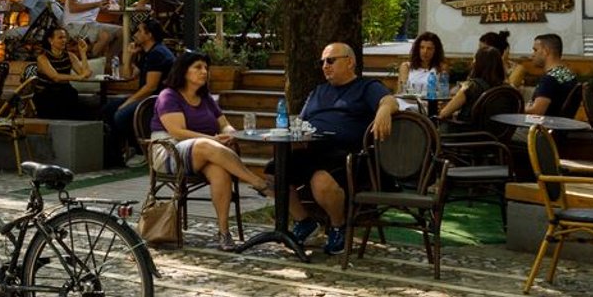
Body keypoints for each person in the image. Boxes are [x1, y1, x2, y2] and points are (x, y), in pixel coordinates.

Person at [151, 50, 271, 252]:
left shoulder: (206, 98)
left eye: (206, 68)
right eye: (198, 67)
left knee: (220, 171)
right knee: (208, 147)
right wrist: (213, 140)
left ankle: (224, 233)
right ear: (183, 71)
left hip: (204, 152)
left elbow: (224, 125)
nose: (204, 71)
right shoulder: (168, 96)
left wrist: (231, 133)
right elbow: (177, 132)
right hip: (169, 152)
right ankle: (258, 182)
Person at [288, 43, 399, 256]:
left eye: (330, 60)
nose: (325, 66)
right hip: (312, 150)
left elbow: (389, 100)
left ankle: (338, 227)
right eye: (322, 62)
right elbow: (300, 122)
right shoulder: (318, 91)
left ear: (350, 62)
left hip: (348, 156)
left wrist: (384, 109)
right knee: (273, 176)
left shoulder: (366, 86)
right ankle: (305, 222)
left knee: (320, 182)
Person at [105, 18, 174, 159]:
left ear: (149, 35)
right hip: (146, 96)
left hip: (157, 99)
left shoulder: (158, 54)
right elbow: (127, 76)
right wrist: (130, 56)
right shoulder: (146, 52)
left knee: (120, 116)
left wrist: (127, 103)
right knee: (108, 109)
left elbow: (150, 87)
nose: (135, 34)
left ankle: (138, 149)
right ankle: (116, 154)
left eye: (139, 31)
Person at [31, 24, 97, 120]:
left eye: (65, 37)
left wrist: (83, 53)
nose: (64, 40)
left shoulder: (70, 56)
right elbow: (55, 77)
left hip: (64, 91)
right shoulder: (42, 58)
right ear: (51, 40)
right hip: (46, 93)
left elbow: (85, 73)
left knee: (71, 96)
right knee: (63, 99)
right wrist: (78, 77)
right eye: (60, 37)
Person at [438, 44, 508, 126]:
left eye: (474, 59)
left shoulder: (470, 87)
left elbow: (444, 113)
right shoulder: (507, 89)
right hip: (497, 136)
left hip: (467, 135)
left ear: (478, 64)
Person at [526, 33, 579, 117]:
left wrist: (518, 107)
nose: (532, 55)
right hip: (563, 125)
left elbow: (537, 111)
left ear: (546, 51)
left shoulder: (550, 79)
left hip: (544, 127)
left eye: (535, 50)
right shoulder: (569, 74)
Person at [397, 31, 446, 98]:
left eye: (429, 49)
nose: (425, 52)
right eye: (422, 47)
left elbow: (443, 92)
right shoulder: (406, 66)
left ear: (435, 51)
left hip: (429, 103)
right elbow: (401, 91)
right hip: (408, 102)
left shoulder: (440, 68)